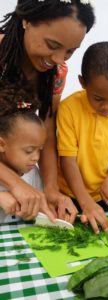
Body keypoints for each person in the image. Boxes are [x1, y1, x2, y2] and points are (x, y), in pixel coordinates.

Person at [0, 0, 95, 222]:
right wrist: (15, 183)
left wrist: (51, 188)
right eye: (52, 45)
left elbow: (47, 130)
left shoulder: (56, 72)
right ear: (27, 20)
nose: (58, 60)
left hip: (18, 172)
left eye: (70, 51)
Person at [56, 41, 108, 233]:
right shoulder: (68, 108)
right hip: (69, 194)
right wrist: (84, 201)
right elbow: (67, 160)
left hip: (102, 196)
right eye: (98, 99)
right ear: (83, 82)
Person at [0, 80, 55, 223]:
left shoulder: (33, 173)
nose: (36, 157)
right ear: (1, 144)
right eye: (29, 151)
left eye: (39, 150)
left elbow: (40, 208)